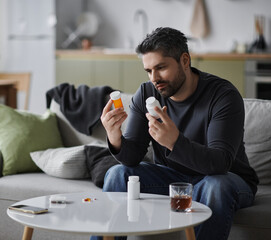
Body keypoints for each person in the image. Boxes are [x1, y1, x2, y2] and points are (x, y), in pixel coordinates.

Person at [98, 27, 259, 240]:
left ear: (184, 60)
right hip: (173, 180)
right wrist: (114, 136)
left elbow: (220, 163)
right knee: (118, 174)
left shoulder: (223, 96)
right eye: (148, 70)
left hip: (227, 179)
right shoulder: (146, 92)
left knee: (215, 185)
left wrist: (175, 142)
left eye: (161, 67)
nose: (154, 78)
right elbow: (132, 157)